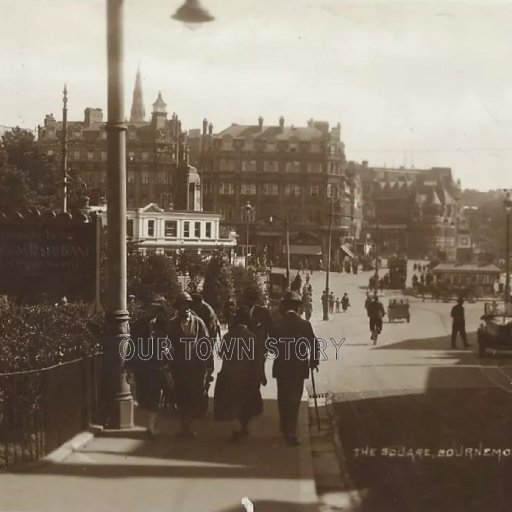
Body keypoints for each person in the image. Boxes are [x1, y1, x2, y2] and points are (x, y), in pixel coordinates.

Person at [272, 291, 319, 446]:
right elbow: (314, 344)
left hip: (281, 367)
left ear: (284, 306)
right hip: (298, 368)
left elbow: (271, 346)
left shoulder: (277, 325)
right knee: (294, 399)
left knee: (283, 398)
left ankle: (284, 426)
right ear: (298, 307)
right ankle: (291, 430)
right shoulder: (304, 325)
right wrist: (313, 361)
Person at [215, 306, 264, 442]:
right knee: (246, 403)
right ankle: (243, 426)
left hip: (230, 374)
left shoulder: (227, 337)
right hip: (248, 376)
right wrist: (261, 375)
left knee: (233, 403)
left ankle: (236, 428)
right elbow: (257, 359)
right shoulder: (252, 337)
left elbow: (221, 353)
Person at [168, 292, 212, 438]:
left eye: (187, 305)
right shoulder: (172, 324)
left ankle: (190, 424)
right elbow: (167, 345)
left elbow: (206, 343)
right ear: (178, 307)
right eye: (182, 305)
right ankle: (185, 426)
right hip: (178, 367)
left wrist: (208, 366)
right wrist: (168, 360)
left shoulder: (198, 322)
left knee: (194, 396)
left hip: (195, 367)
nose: (185, 308)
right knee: (181, 396)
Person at [129, 294, 170, 439]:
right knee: (144, 397)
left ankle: (151, 427)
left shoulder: (164, 324)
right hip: (143, 365)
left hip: (157, 365)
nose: (154, 311)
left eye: (157, 308)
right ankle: (152, 425)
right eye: (152, 307)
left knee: (154, 396)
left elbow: (169, 343)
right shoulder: (140, 324)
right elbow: (133, 345)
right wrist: (130, 365)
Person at [241, 286, 274, 387]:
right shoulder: (239, 312)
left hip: (260, 350)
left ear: (255, 300)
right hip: (243, 350)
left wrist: (272, 345)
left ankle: (260, 378)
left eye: (251, 299)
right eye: (247, 298)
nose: (249, 301)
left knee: (255, 377)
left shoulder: (263, 312)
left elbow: (271, 330)